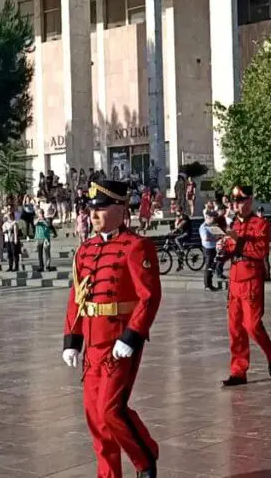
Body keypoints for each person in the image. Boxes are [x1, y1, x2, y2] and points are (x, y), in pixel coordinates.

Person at [62, 180, 162, 478]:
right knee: (95, 417)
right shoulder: (85, 251)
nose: (93, 215)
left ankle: (145, 458)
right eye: (91, 209)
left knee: (110, 409)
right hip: (92, 342)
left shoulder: (136, 246)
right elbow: (77, 298)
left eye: (101, 209)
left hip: (119, 341)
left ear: (120, 210)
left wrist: (132, 336)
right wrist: (71, 340)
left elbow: (149, 296)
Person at [218, 186, 271, 386]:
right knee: (235, 328)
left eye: (241, 200)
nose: (237, 205)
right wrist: (223, 247)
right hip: (235, 279)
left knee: (252, 325)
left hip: (251, 278)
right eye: (235, 201)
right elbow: (230, 249)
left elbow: (260, 251)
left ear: (250, 200)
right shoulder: (235, 224)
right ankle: (238, 371)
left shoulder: (261, 224)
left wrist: (240, 241)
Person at [200, 212, 224, 291]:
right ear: (208, 218)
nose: (214, 220)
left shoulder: (211, 226)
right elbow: (206, 238)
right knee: (209, 266)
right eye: (213, 219)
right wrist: (216, 238)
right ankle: (207, 285)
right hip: (208, 249)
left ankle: (209, 284)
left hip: (213, 248)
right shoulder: (203, 227)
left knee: (211, 266)